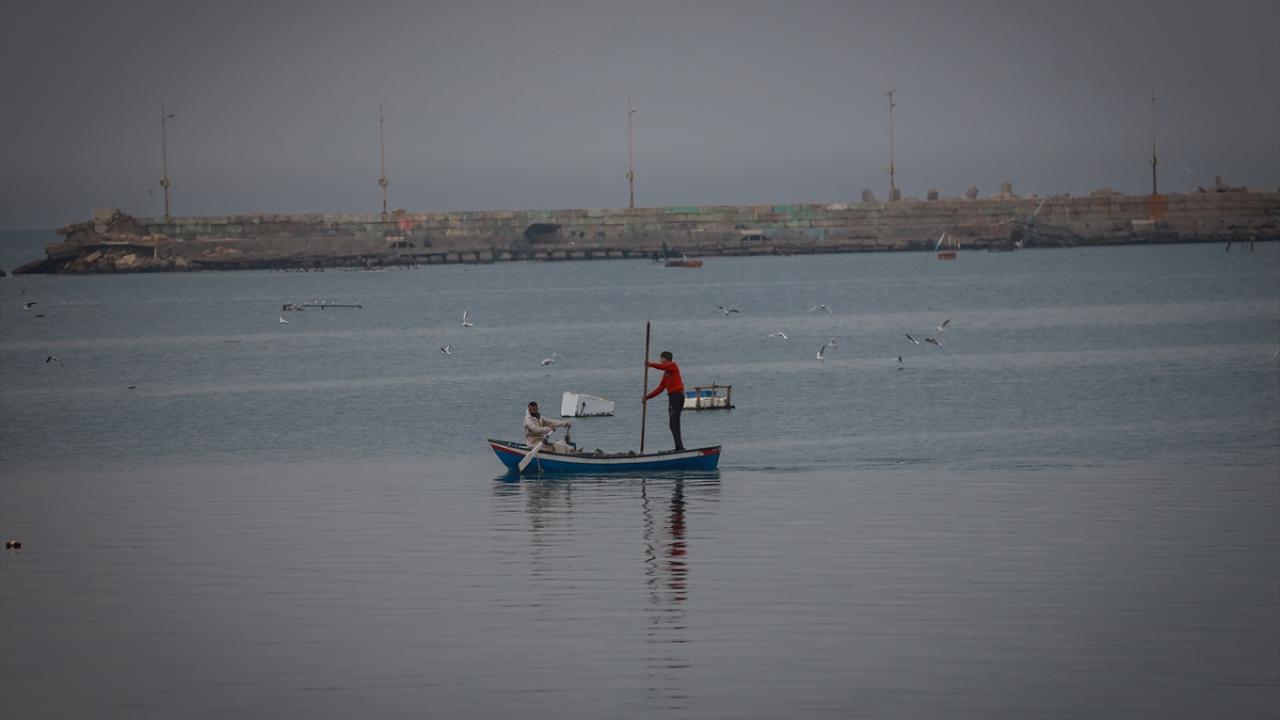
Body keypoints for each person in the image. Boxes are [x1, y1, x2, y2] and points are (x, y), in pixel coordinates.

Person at [644, 350, 686, 451]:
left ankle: (679, 447)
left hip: (677, 396)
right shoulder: (666, 374)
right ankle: (679, 447)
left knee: (674, 423)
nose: (660, 361)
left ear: (665, 359)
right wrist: (647, 397)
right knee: (673, 424)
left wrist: (650, 364)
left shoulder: (673, 365)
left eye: (661, 358)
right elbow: (660, 388)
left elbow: (662, 367)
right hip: (672, 397)